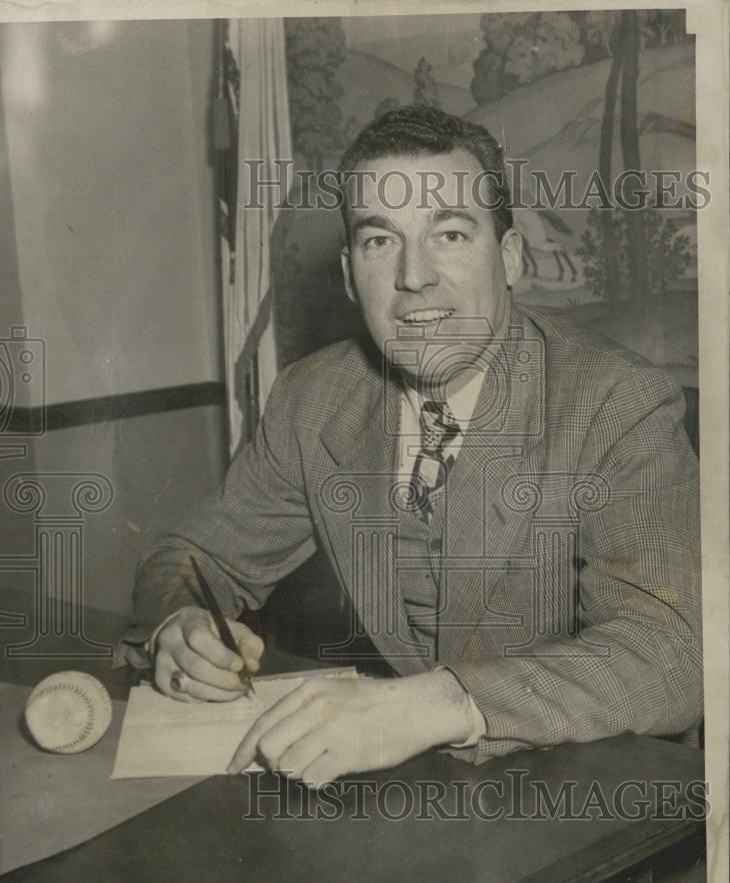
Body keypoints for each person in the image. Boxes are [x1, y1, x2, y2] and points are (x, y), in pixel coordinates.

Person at [119, 106, 702, 786]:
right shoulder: (314, 399)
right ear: (347, 273)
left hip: (579, 794)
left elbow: (676, 653)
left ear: (508, 258)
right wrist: (179, 625)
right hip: (413, 794)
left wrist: (435, 705)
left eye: (449, 234)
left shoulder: (614, 402)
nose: (413, 276)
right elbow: (191, 557)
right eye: (379, 242)